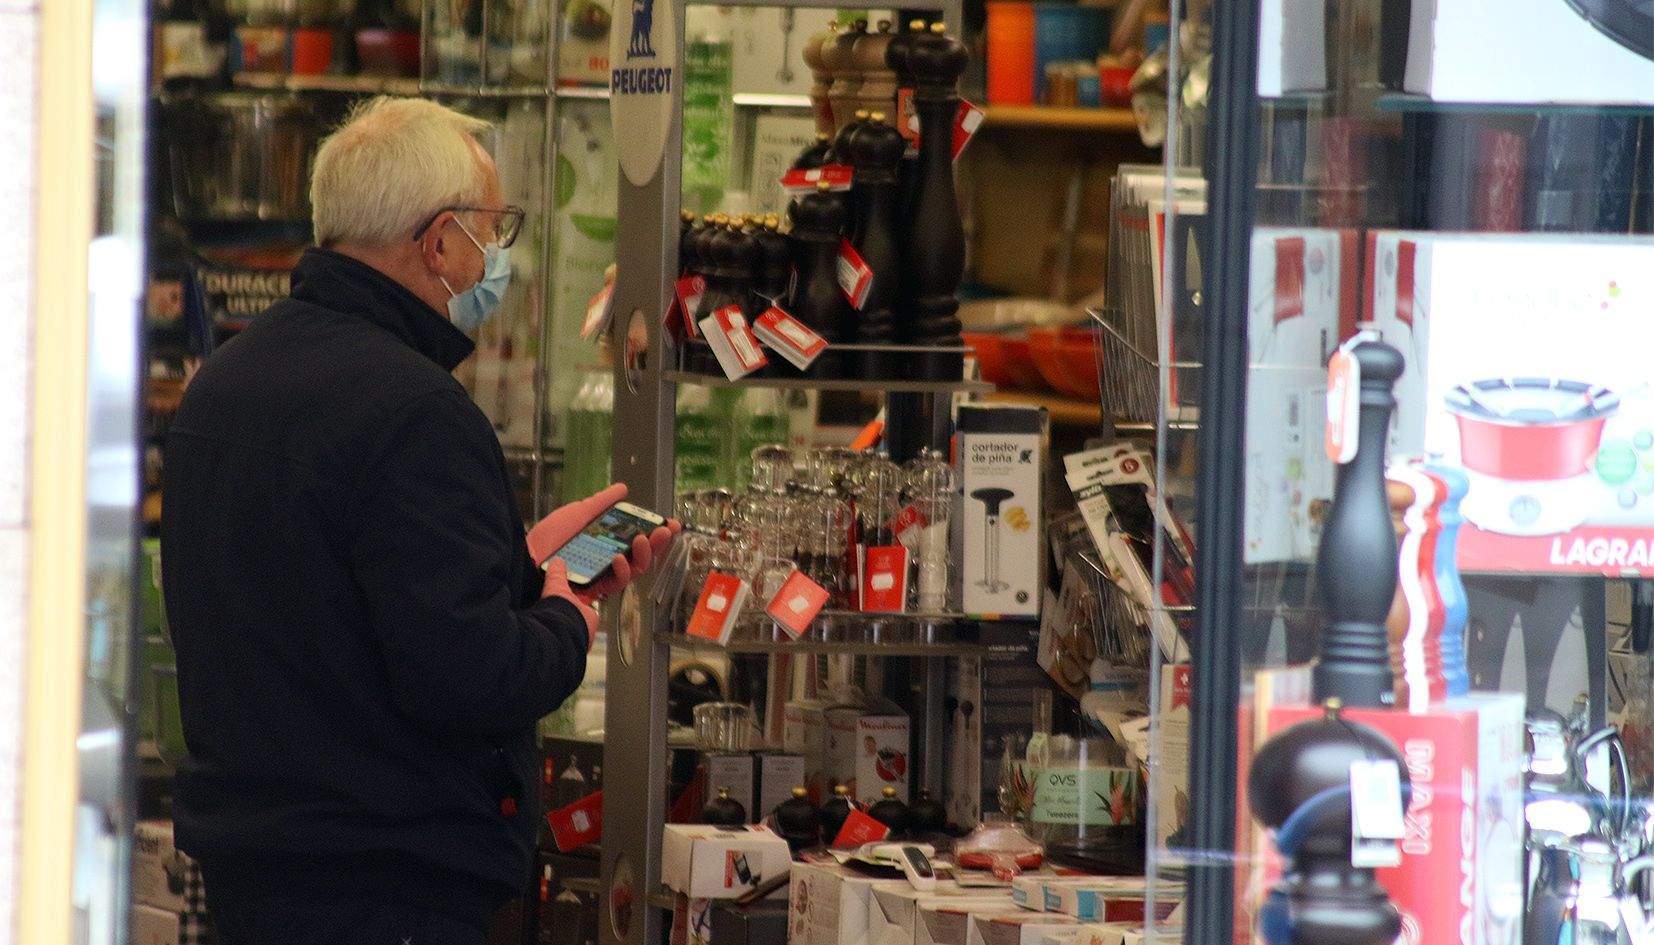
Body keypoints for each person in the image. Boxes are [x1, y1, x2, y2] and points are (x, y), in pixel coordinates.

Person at [160, 97, 673, 945]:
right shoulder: (416, 411)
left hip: (253, 868)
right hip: (384, 884)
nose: (496, 260)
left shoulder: (226, 381)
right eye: (490, 230)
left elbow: (328, 601)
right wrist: (563, 616)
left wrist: (515, 564)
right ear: (437, 243)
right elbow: (467, 676)